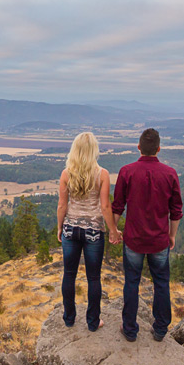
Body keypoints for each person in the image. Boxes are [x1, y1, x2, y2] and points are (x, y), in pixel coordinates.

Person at [112, 127, 182, 341]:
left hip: (133, 239)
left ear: (139, 147)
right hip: (159, 240)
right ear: (159, 149)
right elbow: (176, 210)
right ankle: (160, 329)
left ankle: (130, 330)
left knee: (131, 282)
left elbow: (117, 206)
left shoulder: (127, 171)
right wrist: (172, 236)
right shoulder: (170, 174)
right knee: (161, 282)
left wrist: (114, 231)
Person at [57, 131, 121, 331]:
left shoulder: (67, 173)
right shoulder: (102, 174)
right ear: (94, 150)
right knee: (93, 278)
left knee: (69, 274)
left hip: (71, 228)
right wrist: (113, 231)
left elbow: (62, 205)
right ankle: (93, 322)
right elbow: (105, 207)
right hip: (93, 230)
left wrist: (60, 227)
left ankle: (69, 318)